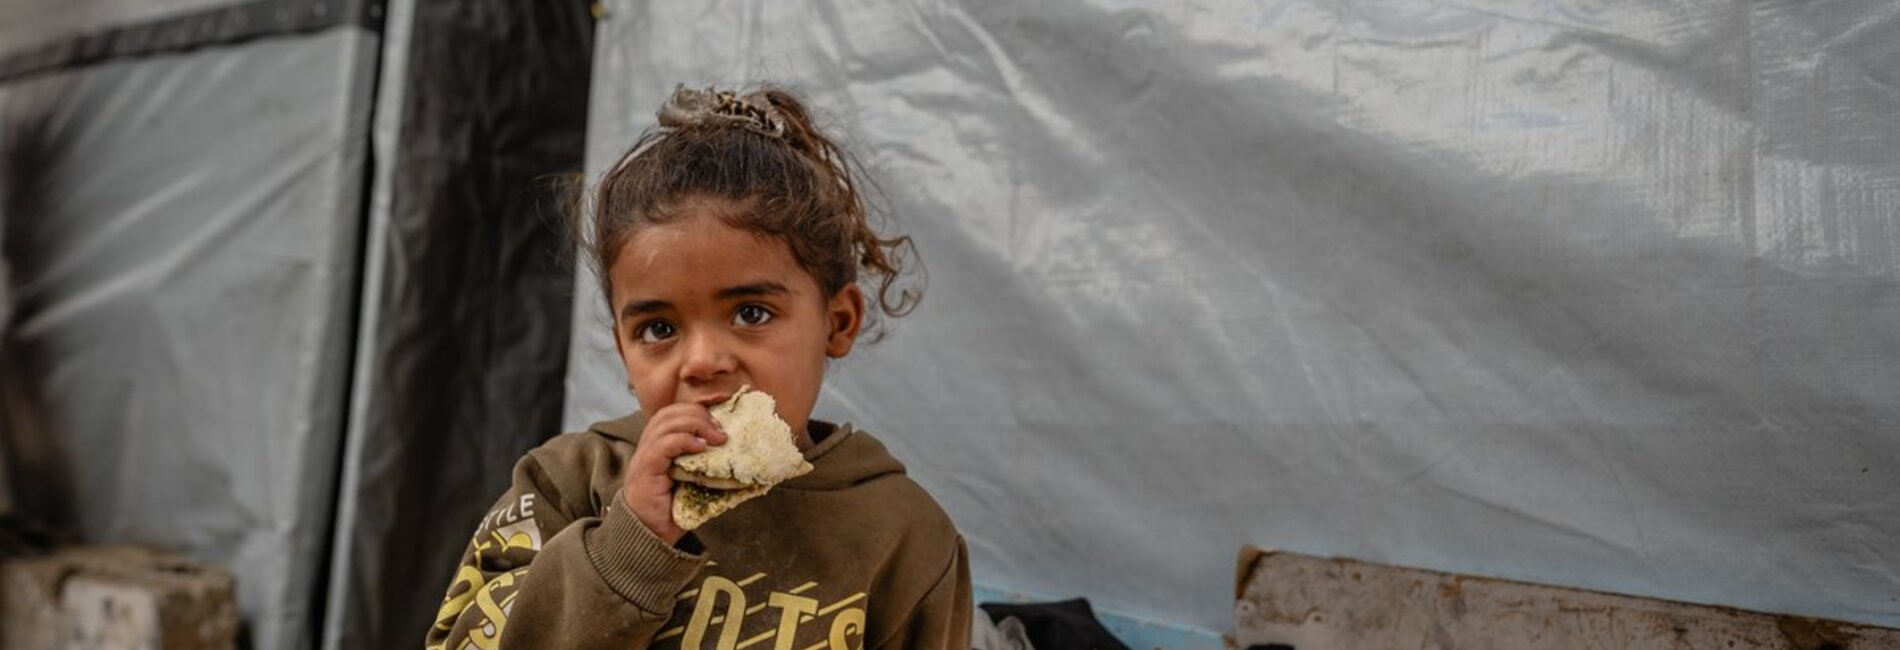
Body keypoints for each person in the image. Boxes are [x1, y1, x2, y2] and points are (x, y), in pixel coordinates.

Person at [424, 84, 970, 650]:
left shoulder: (906, 537)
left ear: (837, 322)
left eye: (752, 313)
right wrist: (626, 549)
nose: (704, 361)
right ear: (623, 351)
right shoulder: (564, 484)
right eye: (658, 329)